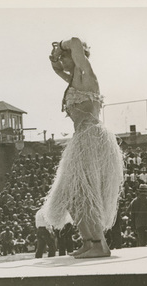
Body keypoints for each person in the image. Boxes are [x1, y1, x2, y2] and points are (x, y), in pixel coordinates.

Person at [41, 37, 124, 259]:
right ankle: (89, 242)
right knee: (72, 195)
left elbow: (76, 42)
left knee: (85, 193)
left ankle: (99, 244)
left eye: (64, 57)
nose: (61, 60)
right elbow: (65, 76)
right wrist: (57, 65)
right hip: (82, 140)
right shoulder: (76, 81)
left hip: (92, 140)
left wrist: (61, 45)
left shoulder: (88, 76)